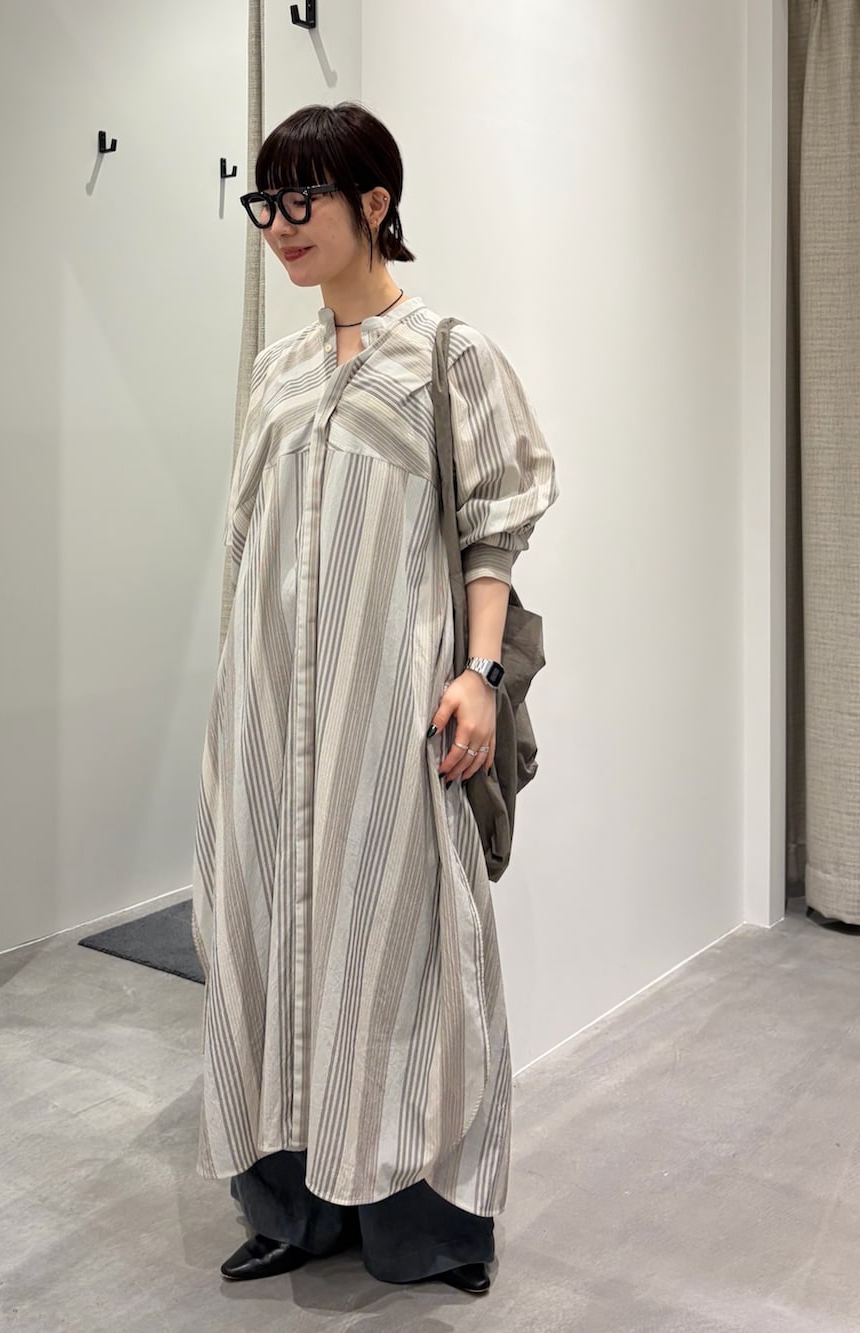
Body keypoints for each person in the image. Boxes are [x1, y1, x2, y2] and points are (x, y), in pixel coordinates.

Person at [190, 101, 558, 1295]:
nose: (279, 224)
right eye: (266, 201)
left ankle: (427, 1223)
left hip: (392, 709)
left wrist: (481, 675)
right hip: (267, 716)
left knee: (407, 952)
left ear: (374, 204)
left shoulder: (447, 355)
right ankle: (289, 1202)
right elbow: (250, 545)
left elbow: (492, 530)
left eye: (302, 198)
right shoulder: (278, 369)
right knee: (271, 940)